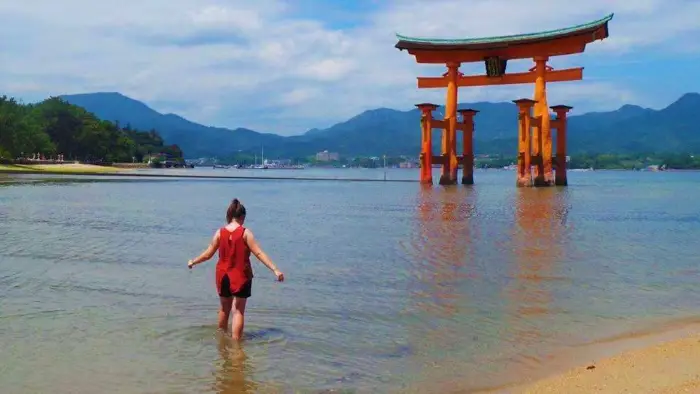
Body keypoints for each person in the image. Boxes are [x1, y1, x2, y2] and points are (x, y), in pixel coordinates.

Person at [188, 198, 284, 340]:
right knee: (238, 311)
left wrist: (193, 261)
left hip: (223, 275)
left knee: (224, 308)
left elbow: (208, 254)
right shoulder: (245, 233)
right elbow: (259, 253)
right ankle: (236, 344)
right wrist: (275, 269)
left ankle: (221, 340)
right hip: (241, 276)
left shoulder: (220, 233)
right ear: (242, 217)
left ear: (229, 215)